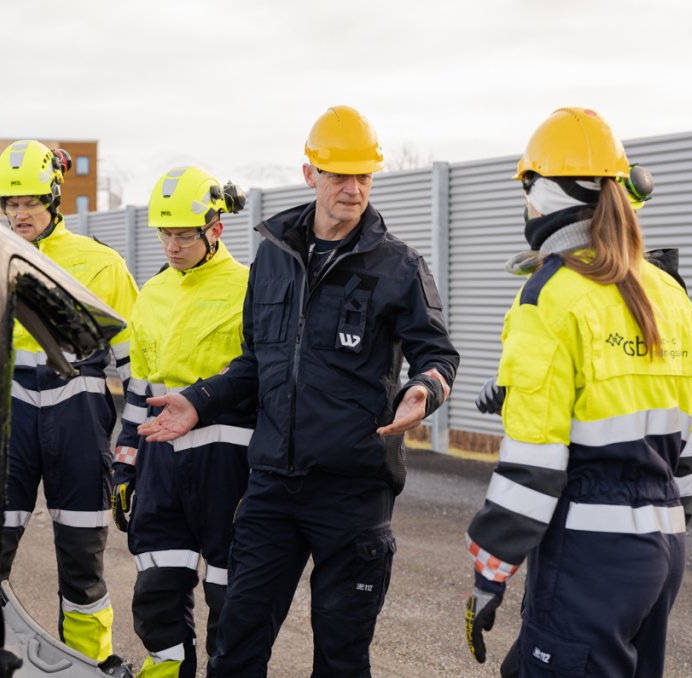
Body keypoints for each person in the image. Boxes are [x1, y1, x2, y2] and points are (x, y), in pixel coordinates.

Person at [137, 105, 460, 677]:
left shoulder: (399, 266)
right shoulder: (273, 257)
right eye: (339, 175)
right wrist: (199, 400)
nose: (353, 189)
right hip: (271, 490)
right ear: (310, 173)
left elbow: (438, 354)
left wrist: (425, 391)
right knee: (235, 648)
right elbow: (255, 363)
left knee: (340, 657)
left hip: (354, 491)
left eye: (363, 176)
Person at [463, 108, 692, 677]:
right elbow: (689, 445)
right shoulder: (669, 294)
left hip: (589, 555)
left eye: (527, 192)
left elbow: (533, 465)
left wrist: (489, 575)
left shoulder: (550, 296)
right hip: (662, 553)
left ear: (545, 196)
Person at [0, 139, 139, 664]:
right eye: (11, 202)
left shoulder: (101, 265)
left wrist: (134, 445)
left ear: (54, 199)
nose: (20, 212)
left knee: (81, 562)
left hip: (77, 425)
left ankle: (88, 666)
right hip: (9, 424)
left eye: (30, 200)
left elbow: (134, 364)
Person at [110, 166, 253, 678]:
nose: (172, 245)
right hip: (159, 467)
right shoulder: (151, 294)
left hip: (228, 468)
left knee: (229, 596)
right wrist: (125, 466)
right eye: (164, 234)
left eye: (184, 234)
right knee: (156, 592)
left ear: (216, 228)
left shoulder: (250, 288)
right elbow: (139, 392)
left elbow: (262, 379)